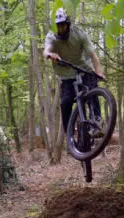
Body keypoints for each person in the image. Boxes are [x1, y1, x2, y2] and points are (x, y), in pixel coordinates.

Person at [43, 8, 105, 136]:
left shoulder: (79, 34)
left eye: (62, 26)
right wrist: (50, 54)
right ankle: (69, 134)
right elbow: (46, 50)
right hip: (66, 74)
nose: (60, 29)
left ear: (68, 24)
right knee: (65, 102)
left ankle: (96, 121)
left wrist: (99, 72)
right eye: (57, 27)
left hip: (84, 68)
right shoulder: (51, 36)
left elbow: (93, 55)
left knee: (92, 90)